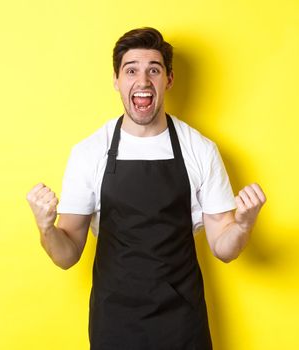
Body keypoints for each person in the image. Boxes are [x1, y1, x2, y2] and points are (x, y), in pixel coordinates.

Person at [26, 27, 267, 350]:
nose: (143, 81)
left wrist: (243, 224)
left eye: (154, 69)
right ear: (116, 80)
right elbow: (67, 255)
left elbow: (224, 248)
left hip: (182, 321)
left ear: (168, 79)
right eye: (131, 70)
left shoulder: (199, 149)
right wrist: (46, 228)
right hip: (114, 321)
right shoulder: (89, 152)